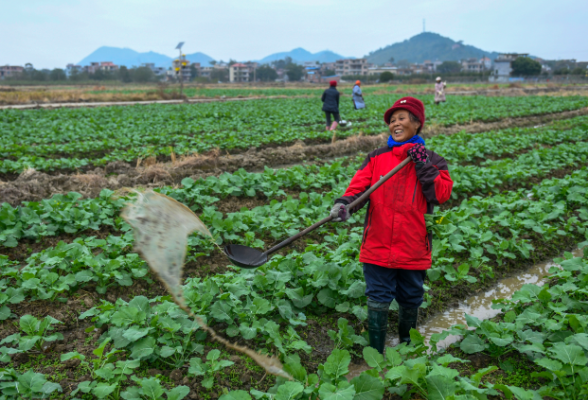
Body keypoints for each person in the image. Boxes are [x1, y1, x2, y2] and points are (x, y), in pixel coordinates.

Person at [329, 96, 453, 354]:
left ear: (417, 124)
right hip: (378, 241)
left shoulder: (434, 160)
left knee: (410, 298)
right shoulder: (376, 158)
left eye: (402, 118)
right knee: (377, 298)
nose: (395, 123)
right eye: (392, 120)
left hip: (413, 244)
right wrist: (343, 204)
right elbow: (358, 189)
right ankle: (376, 356)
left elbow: (440, 195)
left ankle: (407, 351)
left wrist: (423, 165)